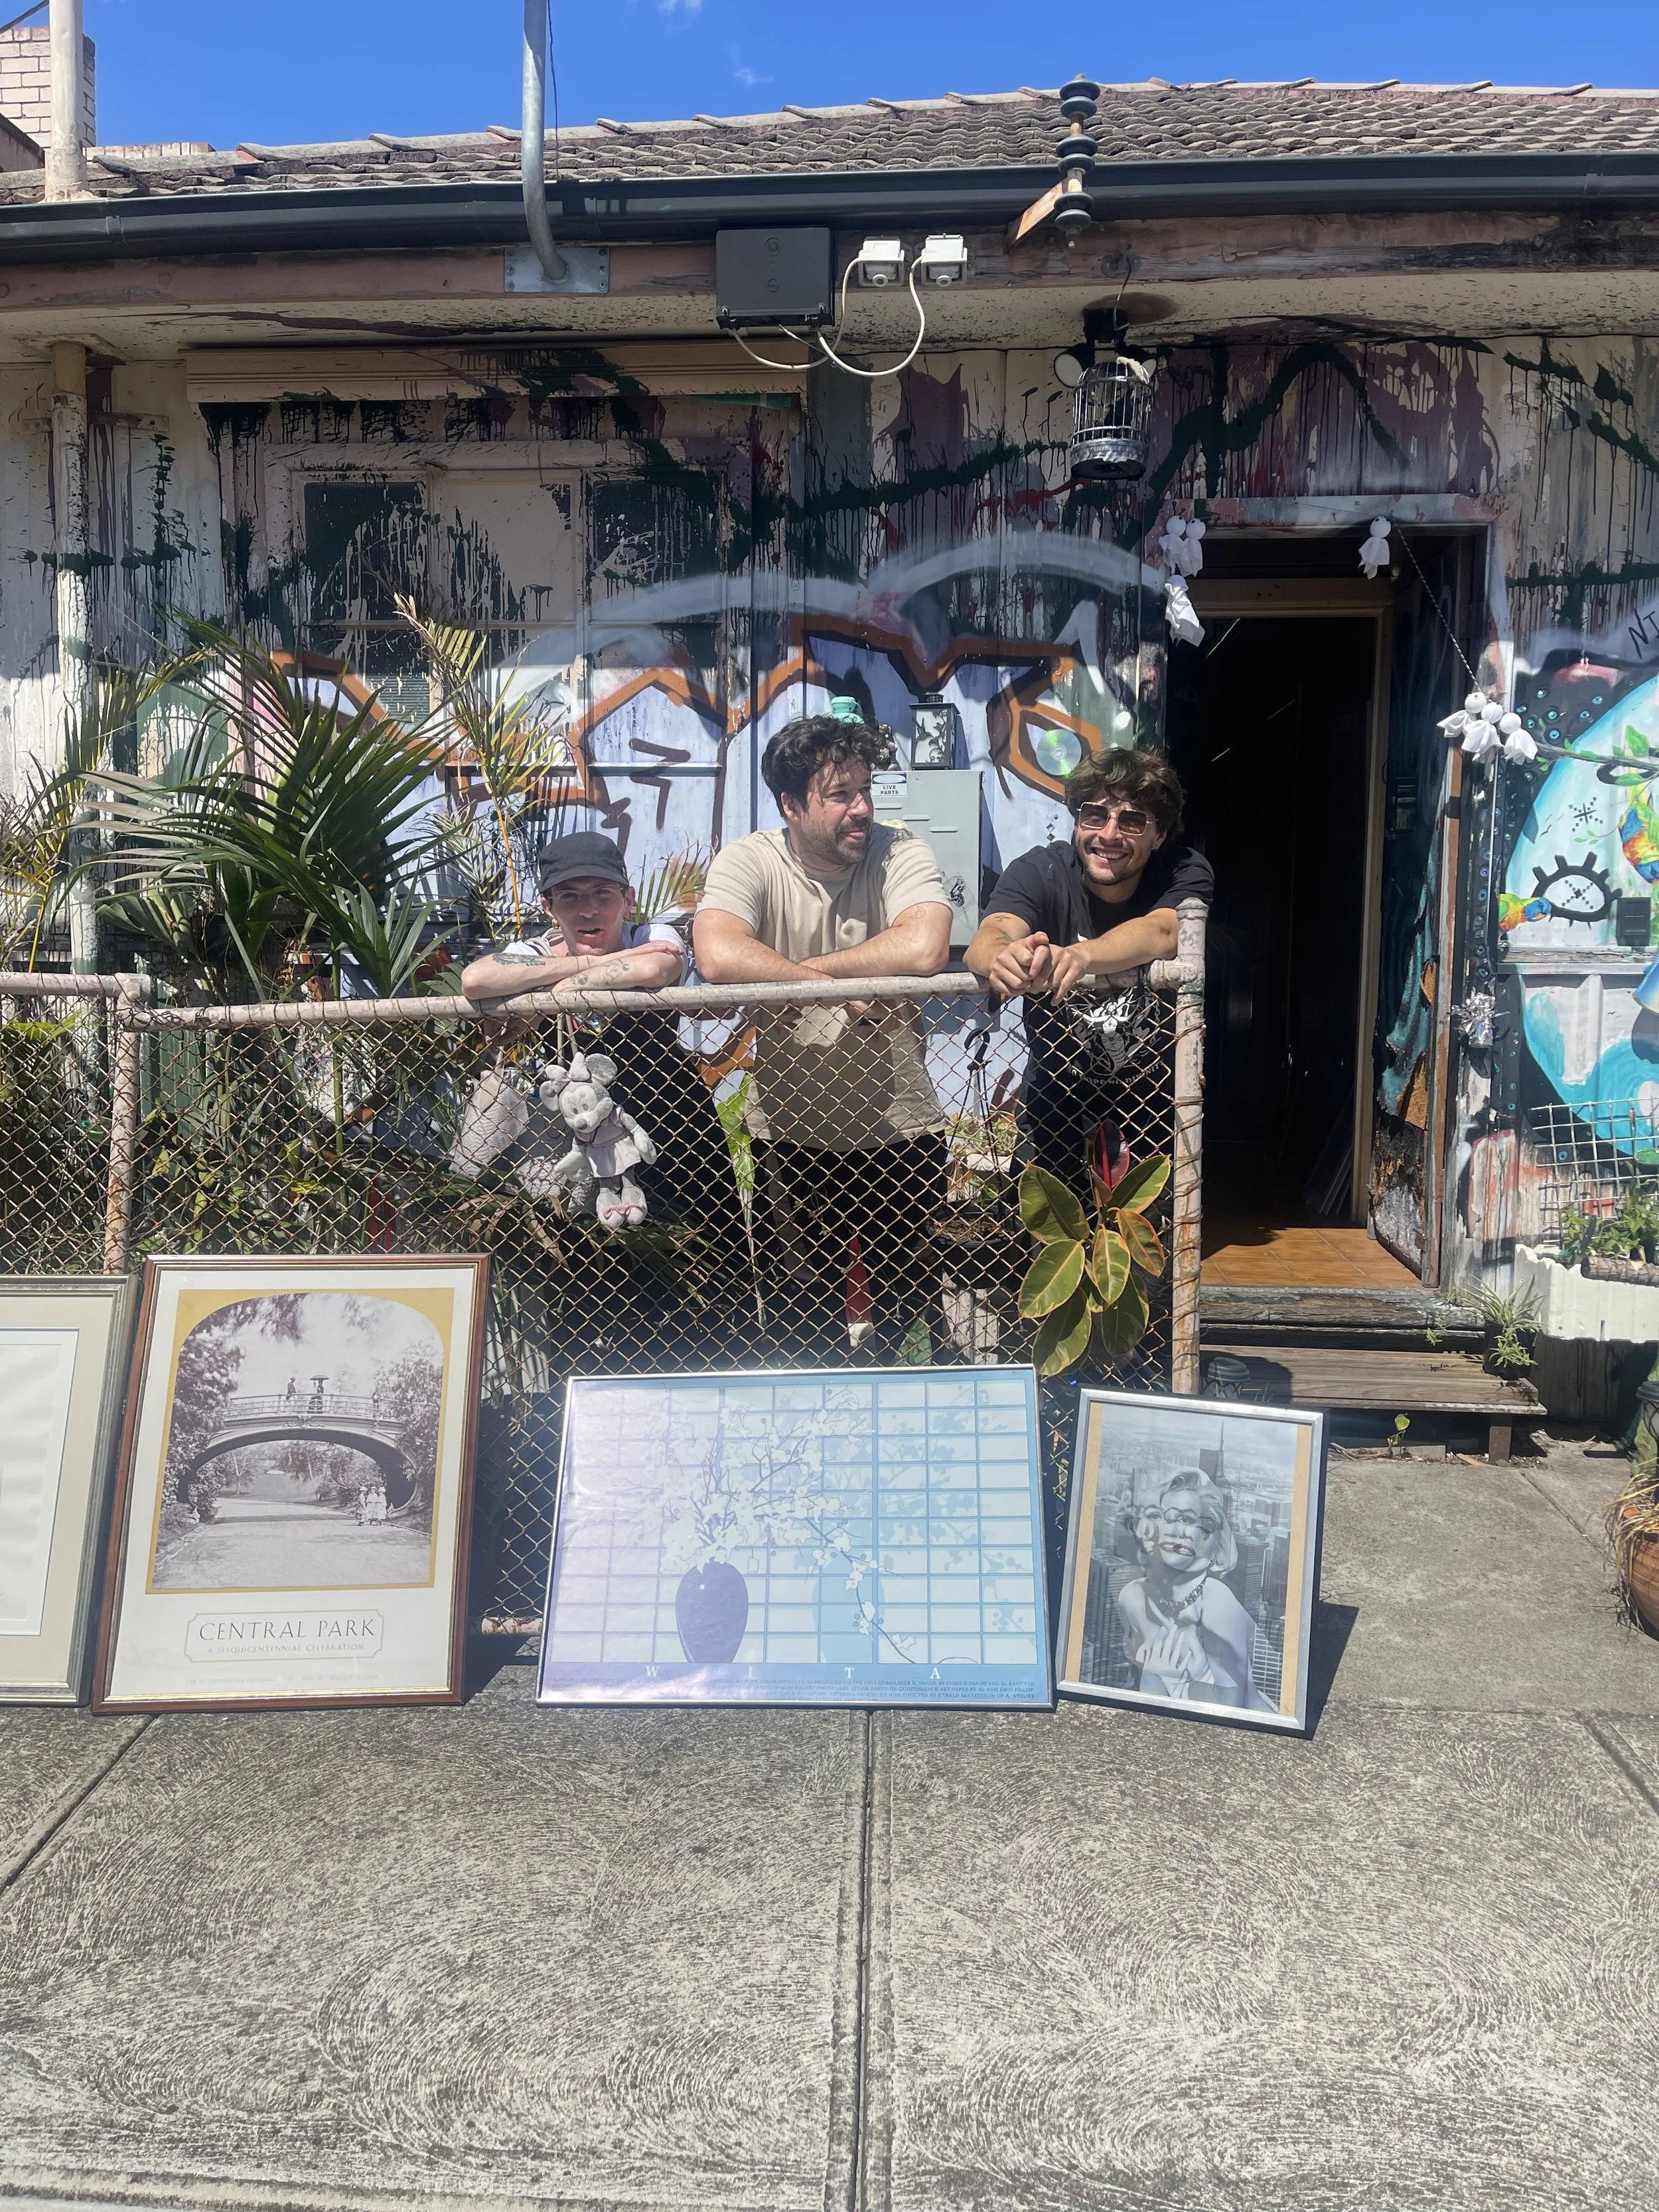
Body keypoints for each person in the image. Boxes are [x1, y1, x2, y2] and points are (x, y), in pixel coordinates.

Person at [693, 712, 953, 1353]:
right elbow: (718, 952)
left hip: (901, 1129)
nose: (861, 808)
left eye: (865, 790)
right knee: (801, 1324)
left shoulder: (900, 850)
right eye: (840, 795)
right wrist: (829, 985)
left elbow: (925, 945)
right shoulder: (751, 859)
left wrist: (804, 977)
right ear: (790, 804)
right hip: (791, 1134)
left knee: (908, 1317)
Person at [460, 831, 746, 1253]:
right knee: (579, 1249)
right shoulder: (535, 947)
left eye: (603, 893)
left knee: (709, 1241)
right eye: (570, 897)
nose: (589, 909)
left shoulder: (649, 934)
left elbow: (656, 968)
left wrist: (557, 986)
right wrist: (587, 966)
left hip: (669, 1117)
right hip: (579, 1125)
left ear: (628, 899)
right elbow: (476, 979)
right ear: (548, 907)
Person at [966, 749, 1212, 1192]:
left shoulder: (1184, 870)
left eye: (1132, 821)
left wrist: (1081, 957)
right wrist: (1004, 957)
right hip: (1054, 1093)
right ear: (1078, 821)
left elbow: (1163, 930)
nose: (1109, 834)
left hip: (1151, 1102)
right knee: (1049, 1228)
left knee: (1148, 1233)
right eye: (1095, 815)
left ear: (1158, 835)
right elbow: (991, 934)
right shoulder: (1041, 870)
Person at [1114, 1472, 1270, 1711]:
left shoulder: (1216, 1601)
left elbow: (1236, 1708)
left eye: (1188, 1520)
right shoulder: (1132, 1597)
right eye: (1165, 1517)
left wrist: (1158, 1681)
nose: (1175, 1530)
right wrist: (1153, 1678)